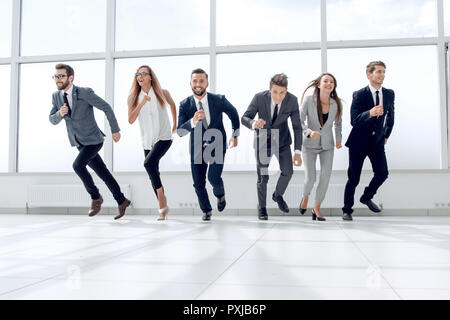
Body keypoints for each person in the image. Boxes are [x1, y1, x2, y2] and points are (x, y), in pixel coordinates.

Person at [49, 63, 131, 219]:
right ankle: (122, 200)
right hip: (79, 142)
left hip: (93, 139)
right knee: (103, 172)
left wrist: (115, 129)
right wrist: (59, 113)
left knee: (77, 165)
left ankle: (96, 198)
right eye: (56, 76)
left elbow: (106, 107)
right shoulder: (56, 96)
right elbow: (52, 120)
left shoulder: (84, 92)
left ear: (70, 77)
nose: (58, 79)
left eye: (61, 76)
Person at [177, 68, 240, 221]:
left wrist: (235, 134)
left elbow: (233, 113)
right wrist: (193, 121)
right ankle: (206, 210)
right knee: (198, 183)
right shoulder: (185, 105)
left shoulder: (219, 99)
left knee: (213, 177)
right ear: (190, 83)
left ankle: (220, 195)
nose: (198, 84)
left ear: (207, 83)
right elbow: (180, 131)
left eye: (201, 81)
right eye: (195, 81)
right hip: (197, 148)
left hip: (217, 143)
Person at [241, 73, 303, 220]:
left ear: (286, 91)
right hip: (263, 141)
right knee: (263, 177)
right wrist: (253, 123)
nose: (278, 96)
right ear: (270, 90)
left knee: (288, 172)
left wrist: (297, 151)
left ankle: (278, 195)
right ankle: (262, 208)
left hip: (282, 141)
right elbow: (244, 117)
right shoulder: (259, 98)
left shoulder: (292, 100)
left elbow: (297, 127)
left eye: (282, 92)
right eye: (275, 92)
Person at [342, 61, 395, 221]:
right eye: (378, 71)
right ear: (369, 74)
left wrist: (386, 135)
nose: (382, 75)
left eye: (384, 72)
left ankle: (366, 196)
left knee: (383, 173)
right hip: (358, 142)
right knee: (354, 178)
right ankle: (347, 210)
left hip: (377, 142)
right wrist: (370, 113)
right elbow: (354, 120)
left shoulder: (389, 93)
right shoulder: (359, 94)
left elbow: (391, 117)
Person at [127, 65, 177, 220]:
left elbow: (173, 105)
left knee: (148, 164)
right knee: (153, 171)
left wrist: (175, 123)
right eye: (137, 74)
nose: (140, 76)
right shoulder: (133, 97)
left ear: (150, 77)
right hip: (147, 141)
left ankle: (161, 200)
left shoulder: (162, 93)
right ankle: (163, 206)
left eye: (143, 74)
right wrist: (141, 103)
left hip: (164, 137)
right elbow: (130, 120)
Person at [299, 73, 343, 221]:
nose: (329, 83)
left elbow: (338, 124)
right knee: (310, 178)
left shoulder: (335, 104)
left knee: (325, 177)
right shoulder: (308, 100)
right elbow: (299, 121)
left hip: (327, 145)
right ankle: (305, 198)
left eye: (332, 82)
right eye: (325, 81)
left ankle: (316, 208)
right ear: (319, 84)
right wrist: (309, 132)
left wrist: (338, 140)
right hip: (309, 144)